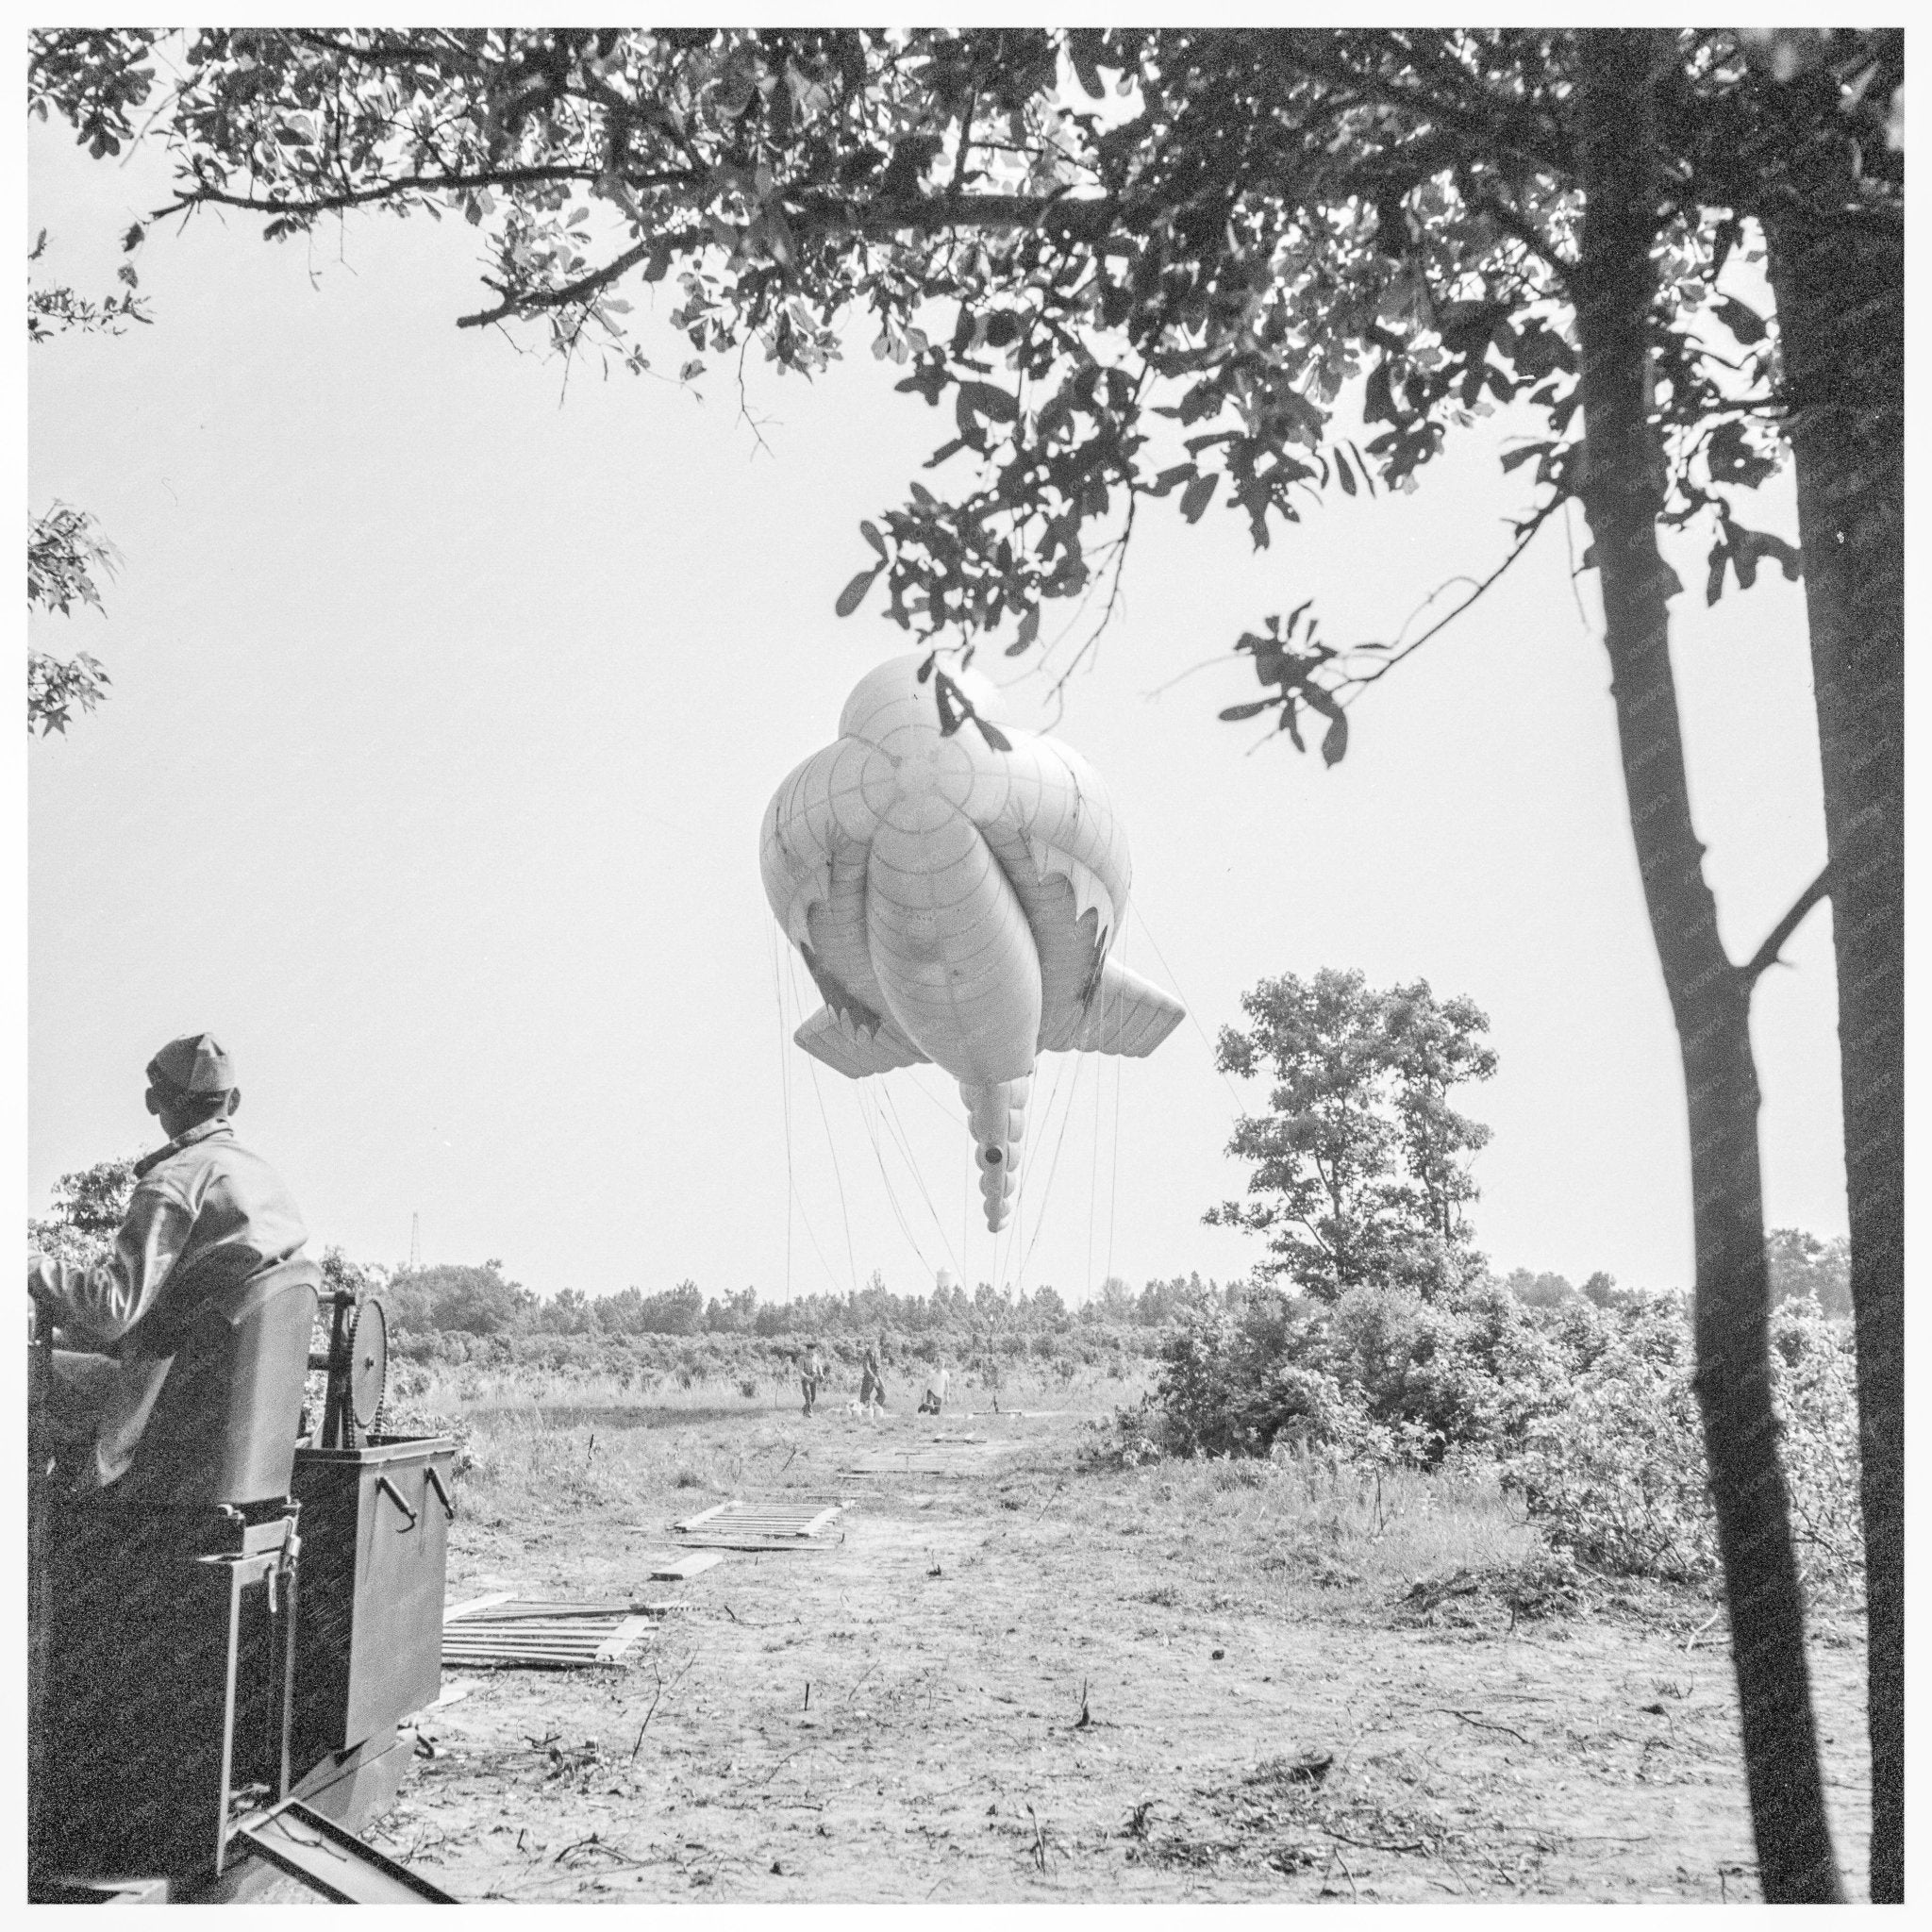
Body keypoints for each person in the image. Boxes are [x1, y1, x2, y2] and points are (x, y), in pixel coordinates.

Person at [27, 1033, 308, 1491]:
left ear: (153, 1100)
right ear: (233, 1101)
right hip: (226, 1406)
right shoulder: (262, 1177)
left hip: (167, 1402)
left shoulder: (175, 1180)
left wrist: (30, 1267)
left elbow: (111, 1312)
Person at [858, 1340, 887, 1416]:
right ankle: (866, 1413)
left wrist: (879, 1375)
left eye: (875, 1344)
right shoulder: (866, 1354)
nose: (874, 1346)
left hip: (878, 1375)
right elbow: (866, 1368)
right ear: (869, 1345)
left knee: (883, 1394)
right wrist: (874, 1378)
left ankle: (875, 1406)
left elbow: (878, 1364)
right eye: (872, 1344)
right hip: (869, 1376)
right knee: (865, 1397)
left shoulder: (878, 1351)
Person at [799, 1340, 825, 1417]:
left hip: (814, 1376)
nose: (814, 1351)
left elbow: (819, 1365)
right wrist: (807, 1377)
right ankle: (809, 1412)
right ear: (809, 1350)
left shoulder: (816, 1356)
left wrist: (821, 1373)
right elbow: (800, 1371)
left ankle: (805, 1409)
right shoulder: (802, 1358)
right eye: (813, 1350)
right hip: (805, 1378)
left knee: (813, 1397)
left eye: (814, 1350)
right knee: (808, 1395)